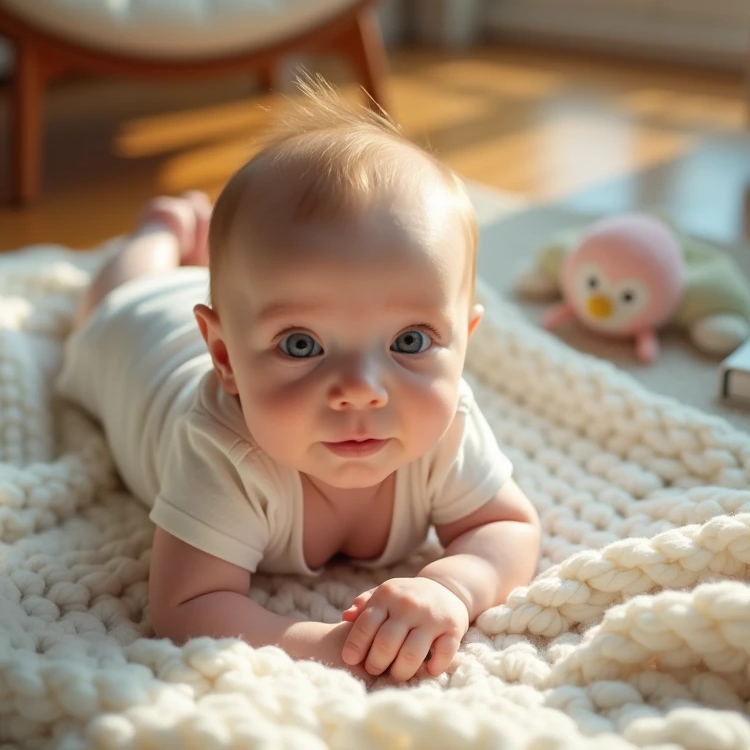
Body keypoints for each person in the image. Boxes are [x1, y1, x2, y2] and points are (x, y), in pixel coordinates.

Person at [56, 79, 541, 684]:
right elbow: (187, 604)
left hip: (224, 316)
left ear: (463, 341)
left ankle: (216, 271)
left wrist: (455, 586)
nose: (362, 389)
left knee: (234, 283)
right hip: (138, 338)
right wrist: (333, 646)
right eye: (301, 345)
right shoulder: (224, 450)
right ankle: (159, 232)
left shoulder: (449, 425)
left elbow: (508, 526)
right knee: (115, 297)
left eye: (409, 341)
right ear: (225, 358)